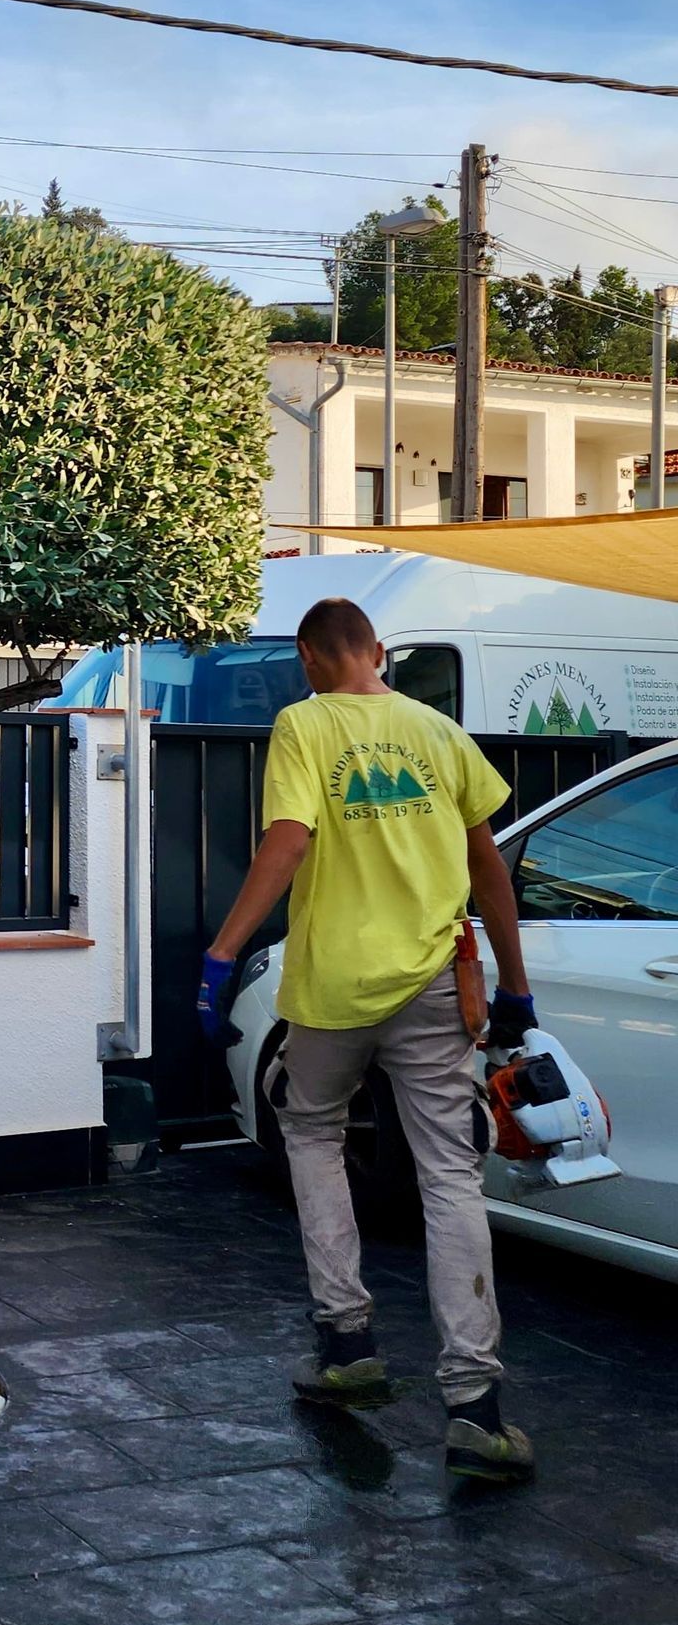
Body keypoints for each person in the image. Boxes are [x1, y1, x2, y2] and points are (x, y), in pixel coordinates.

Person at [197, 595, 536, 1482]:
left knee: (310, 1134)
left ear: (311, 657)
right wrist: (518, 987)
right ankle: (475, 1408)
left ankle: (348, 1345)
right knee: (451, 1177)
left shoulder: (304, 725)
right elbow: (486, 862)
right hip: (433, 983)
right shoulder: (438, 731)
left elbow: (286, 842)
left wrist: (223, 952)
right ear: (377, 652)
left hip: (332, 989)